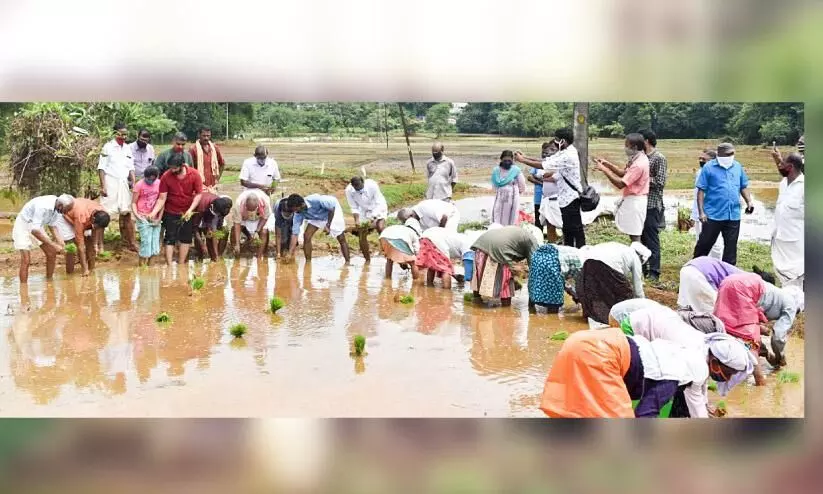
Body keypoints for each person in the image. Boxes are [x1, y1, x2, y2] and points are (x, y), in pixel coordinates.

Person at [539, 327, 719, 418]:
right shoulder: (671, 379)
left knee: (575, 410)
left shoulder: (669, 354)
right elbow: (645, 413)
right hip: (601, 354)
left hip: (581, 340)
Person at [713, 272, 802, 381]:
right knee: (752, 341)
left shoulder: (776, 294)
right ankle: (760, 382)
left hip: (727, 282)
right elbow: (778, 336)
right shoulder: (792, 304)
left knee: (728, 328)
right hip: (744, 289)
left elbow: (745, 324)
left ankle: (720, 370)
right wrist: (780, 357)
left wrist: (767, 353)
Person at [515, 128, 585, 248]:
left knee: (574, 229)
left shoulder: (568, 155)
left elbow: (543, 165)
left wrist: (522, 160)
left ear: (563, 140)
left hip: (570, 198)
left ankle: (580, 252)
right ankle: (570, 250)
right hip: (565, 198)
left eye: (557, 140)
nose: (555, 142)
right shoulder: (565, 151)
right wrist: (526, 157)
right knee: (569, 229)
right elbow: (546, 160)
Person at [693, 143, 755, 265]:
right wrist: (701, 212)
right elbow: (701, 190)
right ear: (719, 155)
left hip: (733, 215)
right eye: (728, 154)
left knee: (731, 249)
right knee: (704, 244)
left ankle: (728, 277)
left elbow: (743, 186)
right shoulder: (709, 168)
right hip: (713, 215)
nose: (731, 156)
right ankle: (695, 269)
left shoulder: (737, 167)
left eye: (732, 154)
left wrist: (749, 201)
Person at [573, 242, 651, 324]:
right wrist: (642, 306)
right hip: (606, 266)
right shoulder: (635, 257)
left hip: (588, 263)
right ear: (641, 257)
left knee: (593, 290)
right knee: (625, 294)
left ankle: (591, 316)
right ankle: (622, 319)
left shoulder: (621, 247)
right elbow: (637, 287)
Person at [148, 153, 204, 265]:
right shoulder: (166, 176)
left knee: (186, 238)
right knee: (170, 237)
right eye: (171, 168)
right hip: (170, 210)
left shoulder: (194, 174)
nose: (172, 170)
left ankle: (181, 264)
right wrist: (153, 212)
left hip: (187, 211)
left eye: (175, 168)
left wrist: (190, 210)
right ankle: (169, 265)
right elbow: (162, 198)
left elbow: (198, 194)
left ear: (182, 165)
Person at [594, 133, 650, 243]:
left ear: (634, 147)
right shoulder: (637, 158)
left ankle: (639, 257)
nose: (625, 148)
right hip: (633, 200)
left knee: (635, 235)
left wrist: (604, 170)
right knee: (632, 232)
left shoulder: (639, 164)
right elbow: (623, 173)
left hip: (635, 202)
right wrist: (608, 164)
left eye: (626, 145)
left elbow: (620, 183)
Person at [469, 225, 542, 307]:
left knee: (479, 278)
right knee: (506, 283)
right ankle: (506, 310)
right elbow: (534, 268)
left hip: (482, 245)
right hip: (499, 248)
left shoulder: (522, 234)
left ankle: (476, 302)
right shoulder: (532, 242)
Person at [14, 195, 75, 283]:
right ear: (60, 206)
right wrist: (54, 244)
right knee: (26, 260)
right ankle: (23, 289)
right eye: (66, 210)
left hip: (37, 225)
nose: (66, 213)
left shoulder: (57, 207)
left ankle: (49, 281)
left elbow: (53, 226)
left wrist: (61, 242)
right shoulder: (43, 207)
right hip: (24, 224)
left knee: (51, 252)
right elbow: (34, 231)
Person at [98, 122, 138, 252]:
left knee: (126, 214)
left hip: (124, 184)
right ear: (115, 133)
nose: (124, 136)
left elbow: (131, 167)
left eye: (126, 134)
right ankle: (100, 245)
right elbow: (101, 168)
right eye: (121, 134)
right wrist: (103, 186)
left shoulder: (127, 148)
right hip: (111, 182)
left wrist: (134, 182)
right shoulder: (107, 147)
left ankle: (131, 243)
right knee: (104, 214)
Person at [769, 149, 804, 290]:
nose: (779, 166)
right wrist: (778, 158)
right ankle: (789, 291)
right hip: (779, 235)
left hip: (795, 238)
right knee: (781, 268)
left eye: (782, 164)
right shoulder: (784, 183)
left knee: (796, 269)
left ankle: (796, 297)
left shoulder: (804, 186)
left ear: (790, 167)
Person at [285, 193, 350, 263]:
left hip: (331, 212)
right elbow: (295, 234)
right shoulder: (298, 213)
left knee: (341, 237)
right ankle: (308, 262)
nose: (296, 212)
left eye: (296, 210)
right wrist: (290, 253)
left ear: (302, 204)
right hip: (316, 217)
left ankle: (347, 262)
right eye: (294, 211)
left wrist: (328, 225)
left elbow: (331, 209)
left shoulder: (317, 200)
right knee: (306, 236)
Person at [54, 198, 110, 276]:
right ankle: (70, 274)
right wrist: (84, 270)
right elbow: (80, 244)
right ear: (93, 219)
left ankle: (91, 270)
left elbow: (98, 228)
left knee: (90, 244)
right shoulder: (80, 217)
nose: (97, 228)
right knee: (71, 247)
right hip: (65, 216)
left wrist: (96, 245)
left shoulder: (103, 213)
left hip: (84, 216)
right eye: (96, 226)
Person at [639, 129, 668, 281]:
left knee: (651, 239)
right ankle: (642, 270)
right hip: (639, 204)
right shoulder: (640, 157)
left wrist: (643, 178)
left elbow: (661, 182)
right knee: (640, 238)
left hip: (652, 204)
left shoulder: (659, 158)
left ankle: (654, 272)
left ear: (647, 141)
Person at [527, 243, 581, 314]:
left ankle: (531, 311)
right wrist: (576, 296)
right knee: (553, 299)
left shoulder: (575, 253)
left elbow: (564, 281)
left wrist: (573, 294)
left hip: (537, 256)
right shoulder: (581, 264)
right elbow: (567, 282)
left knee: (535, 285)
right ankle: (552, 319)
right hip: (553, 259)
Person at [345, 176, 389, 261]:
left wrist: (373, 217)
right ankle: (367, 260)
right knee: (361, 233)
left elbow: (379, 202)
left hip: (378, 207)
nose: (357, 188)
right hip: (363, 210)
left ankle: (387, 252)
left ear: (363, 182)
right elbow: (353, 207)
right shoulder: (349, 190)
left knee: (380, 227)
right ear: (352, 185)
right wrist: (357, 220)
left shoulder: (372, 185)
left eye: (359, 186)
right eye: (355, 186)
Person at [677, 256, 742, 313]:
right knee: (713, 312)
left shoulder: (742, 276)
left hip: (688, 268)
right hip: (701, 273)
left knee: (687, 307)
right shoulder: (746, 283)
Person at [692, 149, 723, 259]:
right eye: (700, 158)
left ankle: (717, 263)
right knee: (700, 241)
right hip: (698, 212)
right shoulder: (699, 172)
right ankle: (703, 263)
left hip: (711, 212)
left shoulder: (716, 173)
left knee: (714, 243)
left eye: (704, 159)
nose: (701, 161)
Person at [131, 165, 163, 266]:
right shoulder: (139, 185)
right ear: (145, 176)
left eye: (153, 179)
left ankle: (150, 270)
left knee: (155, 245)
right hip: (142, 216)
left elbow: (162, 201)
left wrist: (159, 217)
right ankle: (142, 269)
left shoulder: (160, 183)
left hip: (155, 218)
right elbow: (133, 203)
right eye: (149, 179)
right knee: (146, 243)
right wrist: (137, 216)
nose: (151, 181)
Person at [532, 142, 562, 242]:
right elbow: (539, 175)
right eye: (549, 150)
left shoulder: (561, 162)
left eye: (553, 150)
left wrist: (547, 176)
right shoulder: (547, 163)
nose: (549, 153)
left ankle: (567, 246)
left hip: (558, 200)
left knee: (564, 225)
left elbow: (552, 177)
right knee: (550, 225)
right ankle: (551, 246)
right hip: (547, 199)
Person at [228, 189, 271, 258]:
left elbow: (265, 218)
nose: (251, 211)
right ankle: (236, 251)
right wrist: (237, 244)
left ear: (257, 205)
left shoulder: (265, 202)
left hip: (259, 216)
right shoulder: (239, 204)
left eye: (253, 209)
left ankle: (260, 255)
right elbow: (237, 224)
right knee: (233, 230)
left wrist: (257, 230)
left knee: (264, 232)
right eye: (249, 209)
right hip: (244, 216)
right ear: (246, 205)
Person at [193, 193, 233, 261]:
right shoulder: (202, 208)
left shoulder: (221, 207)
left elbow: (214, 232)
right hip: (197, 211)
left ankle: (216, 257)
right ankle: (200, 257)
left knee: (213, 234)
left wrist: (216, 254)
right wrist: (202, 245)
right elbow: (195, 228)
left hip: (209, 213)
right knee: (198, 232)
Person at [491, 150, 526, 226]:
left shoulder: (516, 170)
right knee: (498, 213)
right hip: (500, 197)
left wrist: (515, 193)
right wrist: (502, 191)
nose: (507, 162)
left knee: (512, 216)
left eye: (509, 160)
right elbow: (494, 185)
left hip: (513, 197)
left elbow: (522, 185)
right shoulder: (496, 170)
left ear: (512, 160)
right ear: (501, 159)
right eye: (505, 160)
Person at [526, 143, 548, 230]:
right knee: (538, 221)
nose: (544, 155)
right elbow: (530, 177)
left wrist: (539, 179)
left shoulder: (553, 164)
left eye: (546, 153)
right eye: (543, 152)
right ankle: (540, 239)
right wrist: (542, 183)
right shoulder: (537, 164)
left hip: (549, 198)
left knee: (551, 221)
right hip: (538, 197)